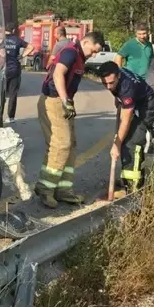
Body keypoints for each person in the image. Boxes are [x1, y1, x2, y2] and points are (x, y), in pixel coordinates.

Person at [35, 30, 106, 208]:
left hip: (64, 102)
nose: (95, 54)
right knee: (61, 144)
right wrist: (65, 100)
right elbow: (58, 73)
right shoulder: (71, 52)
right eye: (94, 50)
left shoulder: (80, 56)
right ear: (86, 42)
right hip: (54, 101)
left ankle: (63, 189)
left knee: (71, 145)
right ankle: (45, 188)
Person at [97, 61, 153, 194]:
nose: (108, 87)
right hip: (132, 102)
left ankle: (133, 189)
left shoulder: (128, 86)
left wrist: (117, 143)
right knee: (123, 139)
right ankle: (126, 180)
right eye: (105, 83)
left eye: (111, 83)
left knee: (132, 143)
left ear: (118, 77)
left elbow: (126, 118)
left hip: (147, 106)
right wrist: (118, 98)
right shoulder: (116, 74)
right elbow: (118, 95)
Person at [1, 24, 27, 123]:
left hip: (3, 70)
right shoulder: (17, 40)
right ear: (13, 30)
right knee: (13, 94)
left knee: (1, 94)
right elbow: (31, 47)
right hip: (14, 69)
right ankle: (11, 117)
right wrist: (22, 55)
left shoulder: (1, 40)